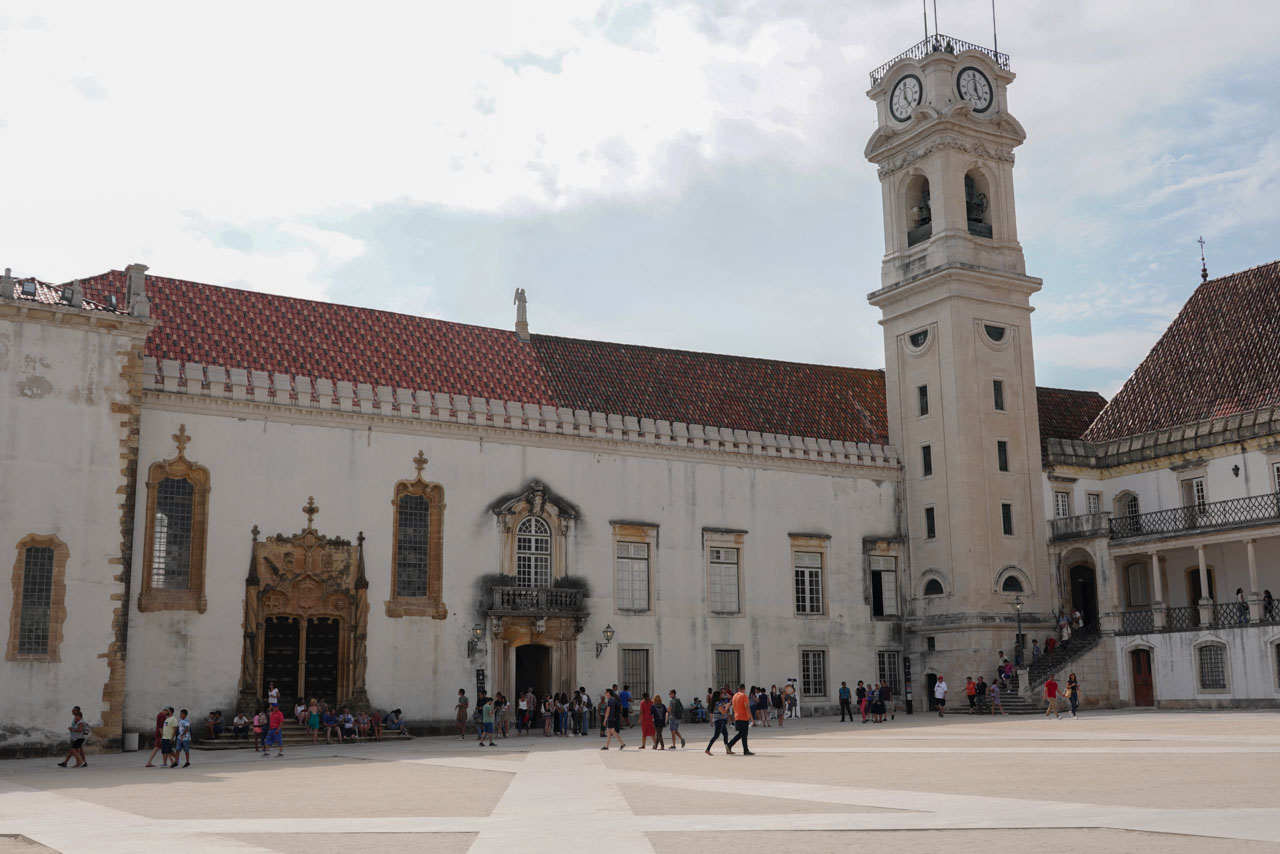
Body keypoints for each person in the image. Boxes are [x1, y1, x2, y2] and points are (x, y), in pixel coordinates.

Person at [725, 683, 754, 756]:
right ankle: (745, 750)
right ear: (744, 689)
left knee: (741, 734)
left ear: (738, 689)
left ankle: (729, 745)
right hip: (744, 717)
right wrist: (751, 718)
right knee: (743, 734)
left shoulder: (734, 696)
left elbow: (733, 707)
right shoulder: (744, 696)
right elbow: (747, 707)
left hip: (737, 717)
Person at [705, 690, 731, 755]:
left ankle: (728, 750)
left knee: (725, 734)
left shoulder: (718, 702)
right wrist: (728, 706)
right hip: (719, 721)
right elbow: (723, 712)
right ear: (718, 696)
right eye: (721, 694)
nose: (722, 695)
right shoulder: (718, 703)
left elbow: (723, 707)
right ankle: (707, 749)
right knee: (716, 736)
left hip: (721, 721)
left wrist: (727, 704)